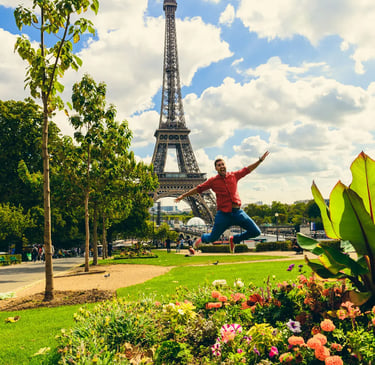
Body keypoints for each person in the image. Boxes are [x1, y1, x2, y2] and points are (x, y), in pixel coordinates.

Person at [175, 152, 269, 253]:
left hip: (238, 212)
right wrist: (183, 195)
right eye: (219, 165)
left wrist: (259, 161)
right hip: (223, 214)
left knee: (256, 231)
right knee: (212, 238)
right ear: (216, 168)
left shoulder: (234, 175)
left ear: (225, 166)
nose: (221, 166)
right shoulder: (213, 181)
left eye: (223, 164)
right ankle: (203, 238)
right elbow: (199, 189)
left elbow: (247, 170)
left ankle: (235, 239)